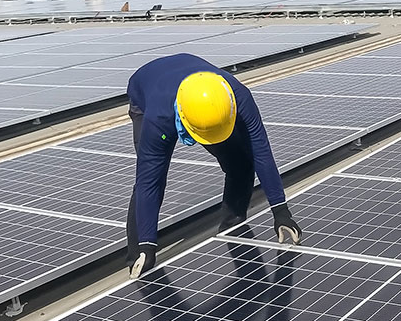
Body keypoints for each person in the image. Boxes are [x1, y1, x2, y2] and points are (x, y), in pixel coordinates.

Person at [125, 53, 302, 278]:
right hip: (148, 91)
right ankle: (137, 257)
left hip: (197, 87)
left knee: (240, 163)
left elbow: (261, 153)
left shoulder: (239, 97)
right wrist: (147, 244)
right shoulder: (157, 118)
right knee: (150, 178)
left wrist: (280, 211)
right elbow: (148, 183)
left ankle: (233, 227)